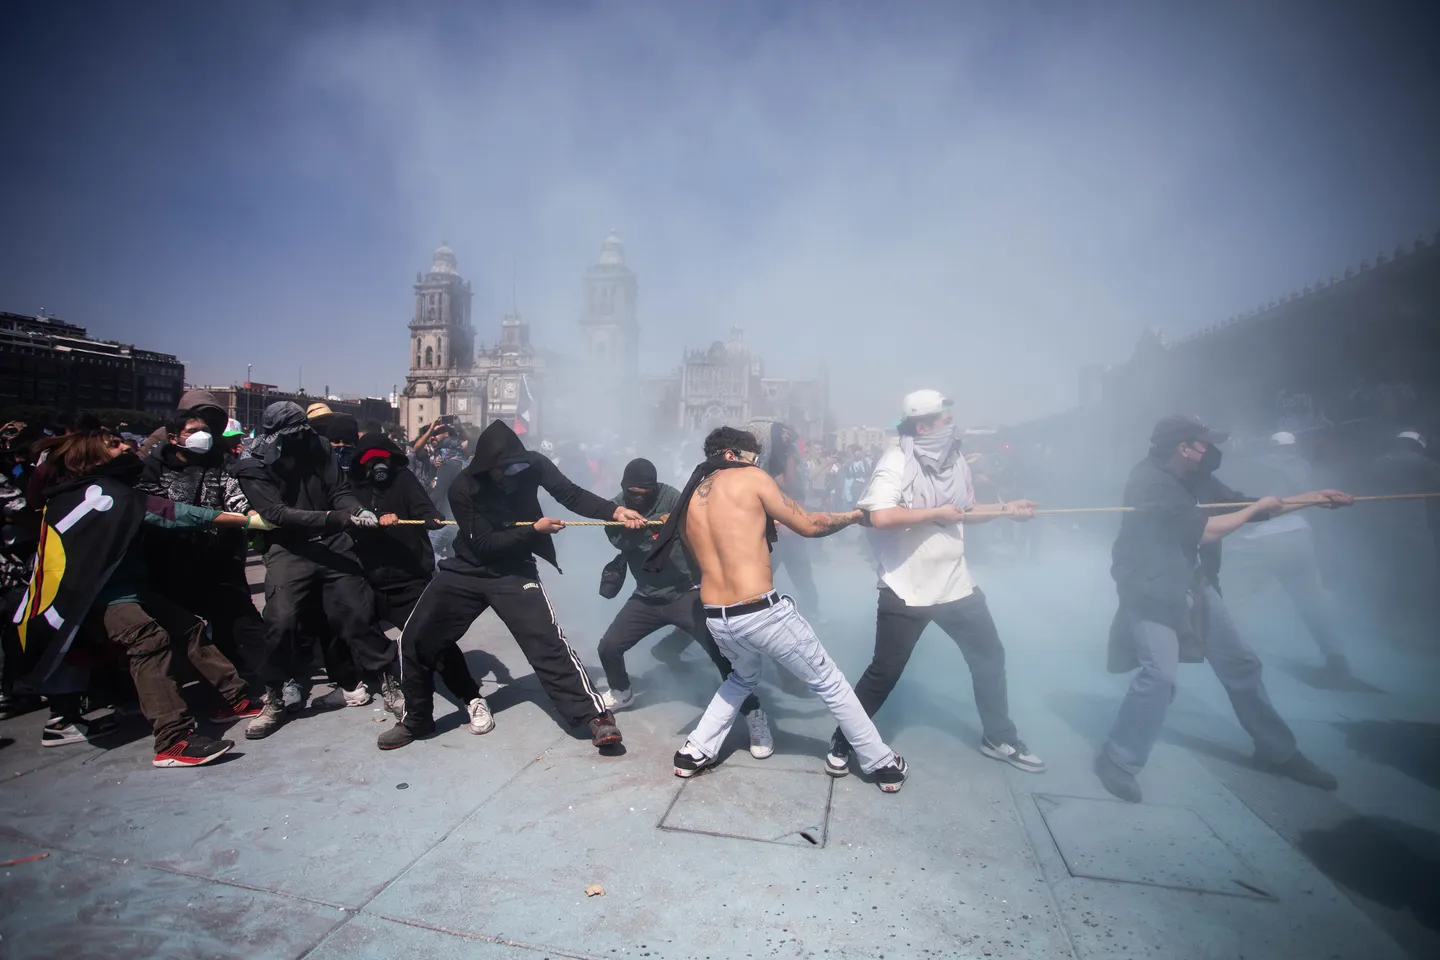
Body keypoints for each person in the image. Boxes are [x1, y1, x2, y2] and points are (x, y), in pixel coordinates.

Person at [1096, 414, 1353, 803]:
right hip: (1151, 587)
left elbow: (1238, 504)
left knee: (1241, 663)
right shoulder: (1149, 482)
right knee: (1159, 675)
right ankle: (1119, 758)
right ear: (1183, 447)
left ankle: (1276, 751)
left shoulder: (1194, 476)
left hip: (1192, 581)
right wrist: (1253, 512)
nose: (1212, 449)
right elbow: (1206, 530)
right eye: (1204, 442)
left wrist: (1313, 499)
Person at [656, 426, 908, 792]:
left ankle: (694, 751)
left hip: (717, 616)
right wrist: (856, 516)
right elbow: (810, 525)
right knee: (831, 682)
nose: (757, 461)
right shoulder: (751, 478)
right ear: (732, 454)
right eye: (751, 455)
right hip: (760, 612)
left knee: (741, 677)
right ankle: (881, 761)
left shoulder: (692, 495)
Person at [378, 420, 644, 751]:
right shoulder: (462, 487)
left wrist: (614, 510)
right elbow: (486, 543)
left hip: (514, 570)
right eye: (504, 470)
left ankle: (594, 717)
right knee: (416, 638)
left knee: (546, 643)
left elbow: (570, 493)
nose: (511, 475)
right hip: (468, 566)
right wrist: (535, 530)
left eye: (516, 467)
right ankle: (417, 719)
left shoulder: (533, 465)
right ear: (486, 467)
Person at [828, 390, 1045, 777]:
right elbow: (880, 516)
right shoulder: (896, 460)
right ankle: (845, 739)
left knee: (990, 657)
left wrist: (1006, 511)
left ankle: (999, 736)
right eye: (945, 418)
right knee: (884, 672)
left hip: (956, 584)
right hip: (905, 586)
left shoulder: (956, 460)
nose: (951, 423)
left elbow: (964, 511)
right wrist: (935, 513)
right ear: (922, 425)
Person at [23, 429, 271, 766]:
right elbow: (173, 514)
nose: (126, 446)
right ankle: (172, 740)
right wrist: (246, 521)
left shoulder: (104, 493)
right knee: (149, 640)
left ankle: (235, 698)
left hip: (131, 589)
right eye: (113, 445)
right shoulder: (103, 497)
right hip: (101, 598)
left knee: (187, 628)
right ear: (91, 457)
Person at [231, 401, 400, 740]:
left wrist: (355, 510)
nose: (304, 437)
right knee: (281, 620)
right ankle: (275, 697)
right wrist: (332, 517)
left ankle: (390, 683)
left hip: (333, 542)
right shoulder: (253, 463)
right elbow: (276, 513)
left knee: (358, 612)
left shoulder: (317, 445)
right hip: (288, 546)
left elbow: (338, 491)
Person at [594, 457, 774, 757]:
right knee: (608, 647)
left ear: (654, 487)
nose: (638, 495)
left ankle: (755, 715)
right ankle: (622, 692)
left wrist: (674, 524)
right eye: (632, 491)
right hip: (646, 597)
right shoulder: (616, 507)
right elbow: (618, 541)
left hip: (685, 593)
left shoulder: (673, 497)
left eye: (645, 490)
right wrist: (632, 527)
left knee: (723, 656)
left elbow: (702, 527)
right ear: (625, 487)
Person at [348, 432, 489, 732]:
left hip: (409, 577)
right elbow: (340, 513)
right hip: (367, 578)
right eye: (370, 462)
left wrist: (430, 519)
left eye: (381, 459)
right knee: (351, 623)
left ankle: (472, 697)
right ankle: (385, 679)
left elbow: (426, 509)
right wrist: (367, 517)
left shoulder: (404, 480)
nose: (377, 466)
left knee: (435, 642)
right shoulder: (353, 488)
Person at [137, 407, 266, 688]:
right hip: (169, 558)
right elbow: (155, 508)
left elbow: (235, 496)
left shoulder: (220, 462)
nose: (202, 437)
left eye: (205, 431)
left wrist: (250, 516)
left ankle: (265, 678)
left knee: (239, 620)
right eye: (193, 431)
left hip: (218, 556)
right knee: (177, 625)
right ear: (174, 438)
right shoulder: (153, 467)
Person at [1225, 432, 1350, 675]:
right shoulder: (1296, 467)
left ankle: (1227, 653)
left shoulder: (1242, 469)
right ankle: (1336, 657)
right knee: (1312, 598)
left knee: (1230, 596)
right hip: (1296, 535)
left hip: (1260, 539)